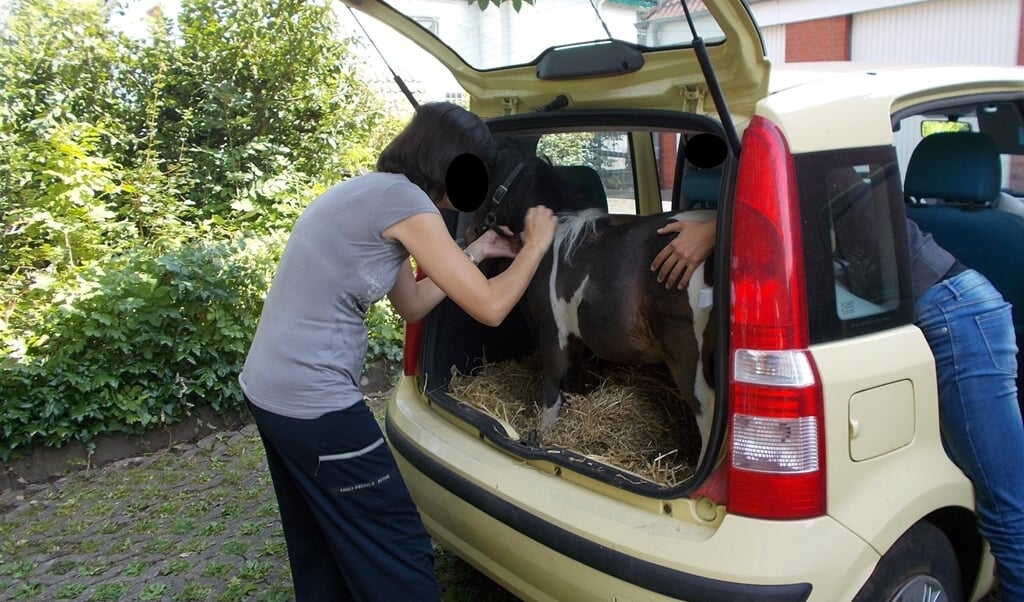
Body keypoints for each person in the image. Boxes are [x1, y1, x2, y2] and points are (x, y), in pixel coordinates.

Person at [239, 101, 558, 601]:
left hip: (270, 392)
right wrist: (537, 245)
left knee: (321, 542)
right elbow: (493, 308)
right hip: (314, 401)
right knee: (395, 542)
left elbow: (411, 304)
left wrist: (475, 252)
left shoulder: (372, 193)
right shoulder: (408, 205)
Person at [652, 215, 1024, 598]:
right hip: (898, 315)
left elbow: (809, 208)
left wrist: (716, 229)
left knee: (1008, 510)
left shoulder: (826, 180)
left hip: (956, 314)